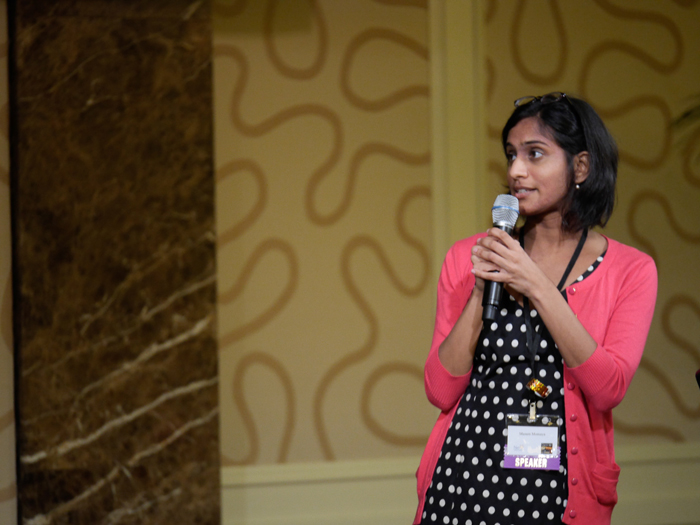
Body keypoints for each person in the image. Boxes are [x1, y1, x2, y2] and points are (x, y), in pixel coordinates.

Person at [414, 92, 657, 525]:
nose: (515, 171)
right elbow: (440, 390)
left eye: (535, 154)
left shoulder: (631, 270)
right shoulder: (467, 257)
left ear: (580, 166)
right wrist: (479, 289)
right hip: (462, 481)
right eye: (511, 155)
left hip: (556, 494)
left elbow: (609, 388)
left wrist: (536, 285)